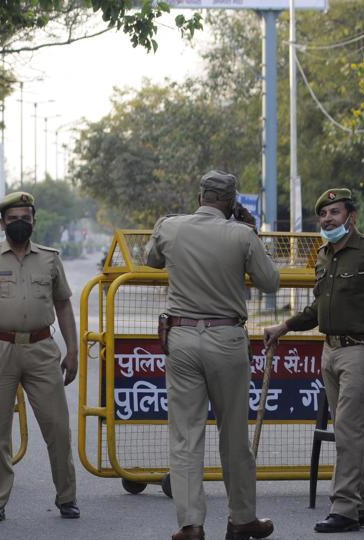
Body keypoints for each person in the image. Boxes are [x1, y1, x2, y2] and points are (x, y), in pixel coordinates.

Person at [263, 188, 364, 534]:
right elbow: (318, 308)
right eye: (324, 214)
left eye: (334, 212)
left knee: (347, 432)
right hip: (329, 351)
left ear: (352, 217)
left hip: (361, 352)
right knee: (355, 433)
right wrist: (284, 327)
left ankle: (345, 508)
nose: (328, 219)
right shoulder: (324, 256)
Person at [145, 171, 280, 540]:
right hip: (226, 338)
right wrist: (251, 234)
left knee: (186, 436)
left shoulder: (170, 227)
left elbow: (151, 259)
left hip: (182, 337)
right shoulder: (241, 234)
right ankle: (241, 518)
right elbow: (270, 282)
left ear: (201, 195)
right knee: (233, 434)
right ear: (232, 201)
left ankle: (190, 524)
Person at [0, 191, 80, 522]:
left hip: (41, 349)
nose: (20, 224)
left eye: (25, 218)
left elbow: (64, 304)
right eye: (13, 219)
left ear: (34, 221)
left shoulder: (50, 259)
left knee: (57, 426)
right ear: (1, 223)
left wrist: (73, 350)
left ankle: (67, 496)